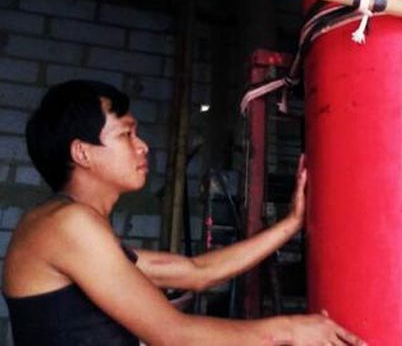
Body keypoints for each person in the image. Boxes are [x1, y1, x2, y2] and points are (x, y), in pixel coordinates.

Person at [2, 80, 364, 346]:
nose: (142, 146)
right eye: (126, 134)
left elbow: (197, 273)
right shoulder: (66, 225)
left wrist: (291, 223)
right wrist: (291, 330)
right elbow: (172, 334)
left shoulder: (75, 228)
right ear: (82, 153)